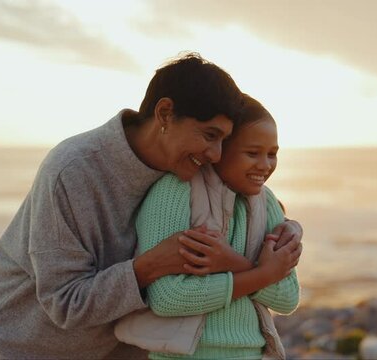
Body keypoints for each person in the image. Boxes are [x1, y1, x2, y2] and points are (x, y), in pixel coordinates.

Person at [0, 53, 303, 359]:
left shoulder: (188, 163)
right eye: (209, 135)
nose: (216, 154)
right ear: (164, 114)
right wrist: (149, 266)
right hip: (29, 344)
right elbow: (66, 304)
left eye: (223, 141)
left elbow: (239, 200)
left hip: (118, 346)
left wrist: (287, 226)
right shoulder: (73, 171)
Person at [116, 94, 301, 359]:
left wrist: (232, 262)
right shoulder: (175, 191)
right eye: (252, 153)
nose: (265, 165)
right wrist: (262, 275)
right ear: (219, 151)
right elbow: (167, 298)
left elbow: (289, 298)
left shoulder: (267, 202)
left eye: (272, 154)